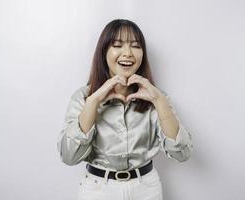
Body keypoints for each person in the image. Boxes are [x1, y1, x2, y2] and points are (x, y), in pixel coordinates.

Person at [57, 19, 193, 200]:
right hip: (98, 190)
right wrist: (94, 102)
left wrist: (159, 101)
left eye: (136, 46)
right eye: (117, 45)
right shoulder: (84, 97)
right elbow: (69, 157)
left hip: (146, 188)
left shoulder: (157, 98)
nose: (128, 53)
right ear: (104, 52)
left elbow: (182, 154)